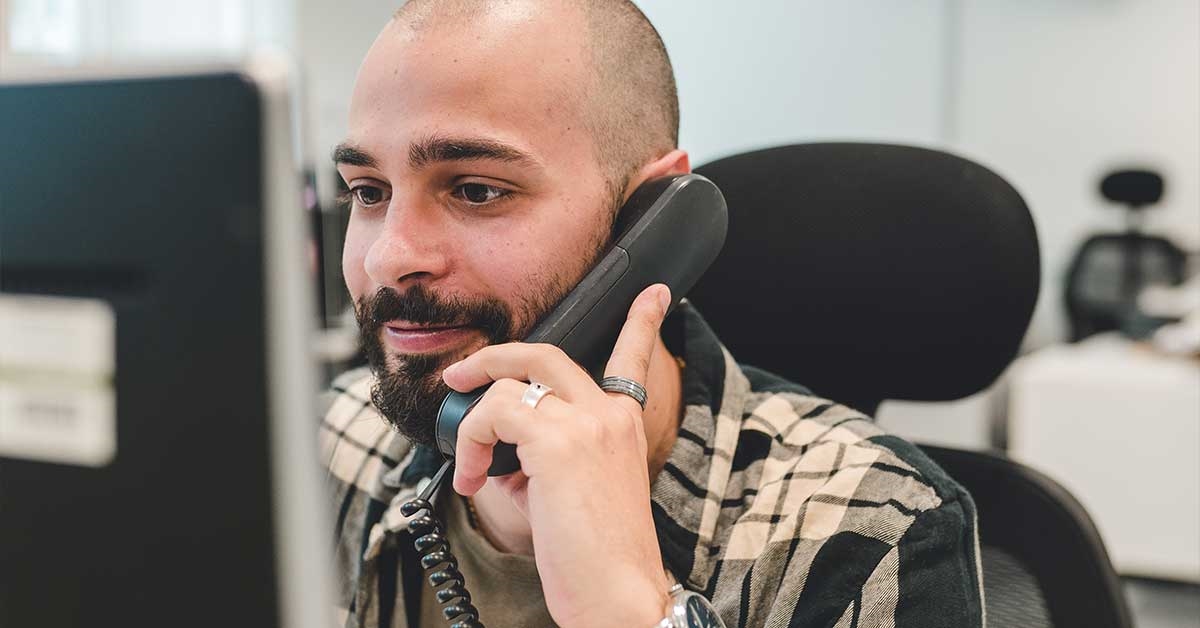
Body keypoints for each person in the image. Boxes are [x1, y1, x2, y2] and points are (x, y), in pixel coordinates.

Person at [320, 1, 985, 626]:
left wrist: (634, 609)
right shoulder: (329, 444)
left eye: (477, 190)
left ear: (650, 222)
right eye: (367, 191)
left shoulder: (870, 527)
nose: (388, 257)